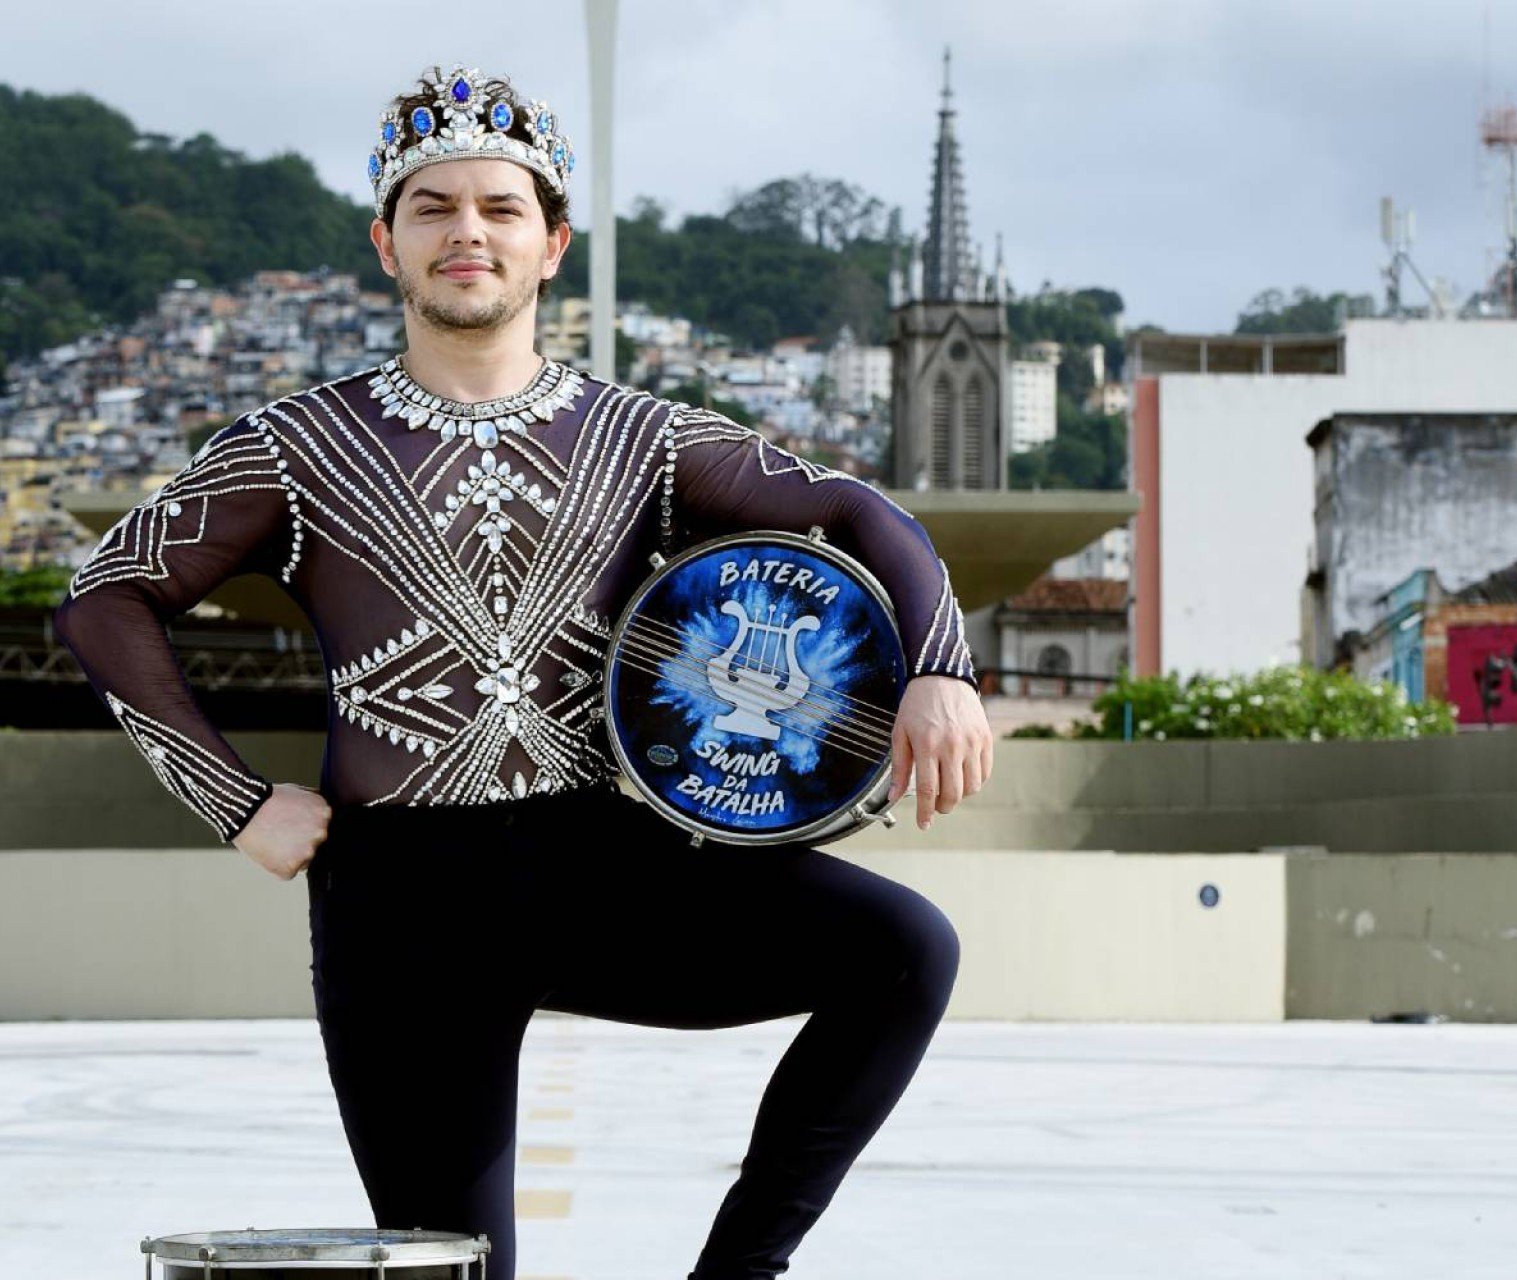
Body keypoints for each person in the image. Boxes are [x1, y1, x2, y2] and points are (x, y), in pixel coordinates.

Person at [53, 61, 994, 1280]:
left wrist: (940, 667)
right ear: (386, 243)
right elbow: (103, 599)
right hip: (402, 904)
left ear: (551, 244)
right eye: (435, 208)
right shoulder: (291, 447)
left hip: (610, 859)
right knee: (455, 1271)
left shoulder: (643, 436)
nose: (467, 233)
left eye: (500, 209)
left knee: (905, 949)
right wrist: (235, 800)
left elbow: (857, 508)